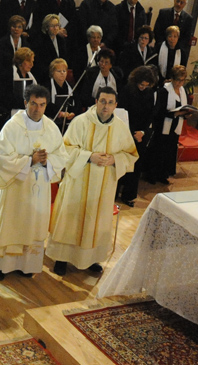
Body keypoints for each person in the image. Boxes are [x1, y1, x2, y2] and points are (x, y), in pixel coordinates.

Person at [48, 86, 137, 275]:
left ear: (116, 105)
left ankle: (89, 259)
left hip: (104, 186)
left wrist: (115, 159)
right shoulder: (81, 122)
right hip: (78, 182)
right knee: (71, 219)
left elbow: (131, 154)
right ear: (96, 102)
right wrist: (89, 157)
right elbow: (64, 149)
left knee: (95, 223)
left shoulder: (120, 127)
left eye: (110, 102)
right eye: (102, 101)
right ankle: (62, 258)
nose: (106, 106)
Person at [0, 84, 68, 278]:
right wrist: (29, 160)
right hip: (15, 188)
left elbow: (62, 156)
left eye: (42, 105)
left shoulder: (51, 128)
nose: (37, 109)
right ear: (25, 103)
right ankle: (1, 267)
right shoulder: (12, 127)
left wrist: (47, 161)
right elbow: (0, 158)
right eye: (33, 103)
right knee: (11, 223)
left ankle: (27, 266)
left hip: (38, 189)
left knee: (33, 224)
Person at [116, 65, 157, 206]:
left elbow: (151, 114)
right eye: (141, 84)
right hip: (127, 131)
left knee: (136, 166)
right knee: (122, 163)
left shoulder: (149, 92)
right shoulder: (127, 90)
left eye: (146, 85)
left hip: (141, 134)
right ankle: (115, 193)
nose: (143, 87)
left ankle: (129, 195)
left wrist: (143, 132)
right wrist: (132, 132)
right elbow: (122, 113)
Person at [149, 64, 189, 184]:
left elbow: (183, 107)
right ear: (172, 78)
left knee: (169, 151)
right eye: (178, 80)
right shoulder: (164, 91)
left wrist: (186, 114)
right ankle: (152, 176)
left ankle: (163, 175)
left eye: (182, 80)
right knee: (159, 151)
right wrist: (175, 114)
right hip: (163, 126)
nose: (180, 83)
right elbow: (158, 112)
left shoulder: (183, 91)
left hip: (175, 126)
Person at [0, 15, 29, 93]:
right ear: (10, 28)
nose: (16, 29)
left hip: (22, 76)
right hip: (4, 78)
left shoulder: (26, 44)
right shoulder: (1, 43)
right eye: (14, 26)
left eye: (19, 27)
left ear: (23, 29)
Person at [46, 58, 78, 131]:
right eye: (59, 71)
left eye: (64, 71)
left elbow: (77, 102)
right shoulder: (47, 87)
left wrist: (73, 113)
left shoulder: (71, 86)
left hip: (68, 121)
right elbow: (46, 104)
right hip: (52, 122)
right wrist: (59, 113)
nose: (62, 73)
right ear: (52, 72)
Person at [8, 48, 40, 115]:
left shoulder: (31, 77)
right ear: (20, 61)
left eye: (32, 61)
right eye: (28, 61)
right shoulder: (9, 75)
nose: (31, 64)